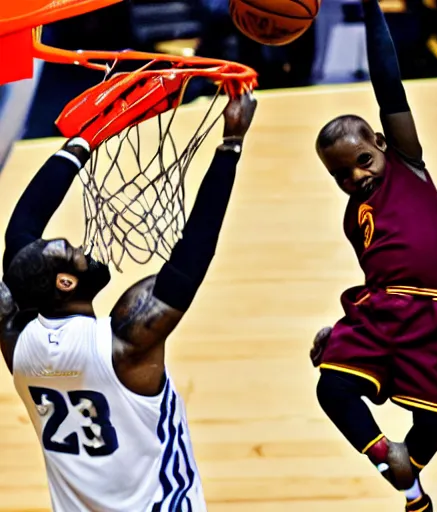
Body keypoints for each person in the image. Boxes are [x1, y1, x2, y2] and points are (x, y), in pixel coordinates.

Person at [0, 92, 257, 511]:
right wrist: (230, 144)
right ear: (66, 282)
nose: (84, 247)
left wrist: (83, 141)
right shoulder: (123, 343)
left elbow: (20, 239)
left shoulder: (16, 342)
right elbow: (191, 257)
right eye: (73, 251)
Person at [311, 1, 437, 511]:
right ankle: (388, 455)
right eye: (342, 175)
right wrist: (343, 335)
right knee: (331, 390)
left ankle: (410, 485)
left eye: (362, 161)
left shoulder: (408, 164)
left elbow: (388, 80)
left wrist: (369, 6)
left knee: (433, 421)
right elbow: (381, 274)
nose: (356, 177)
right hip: (386, 307)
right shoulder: (351, 217)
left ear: (382, 143)